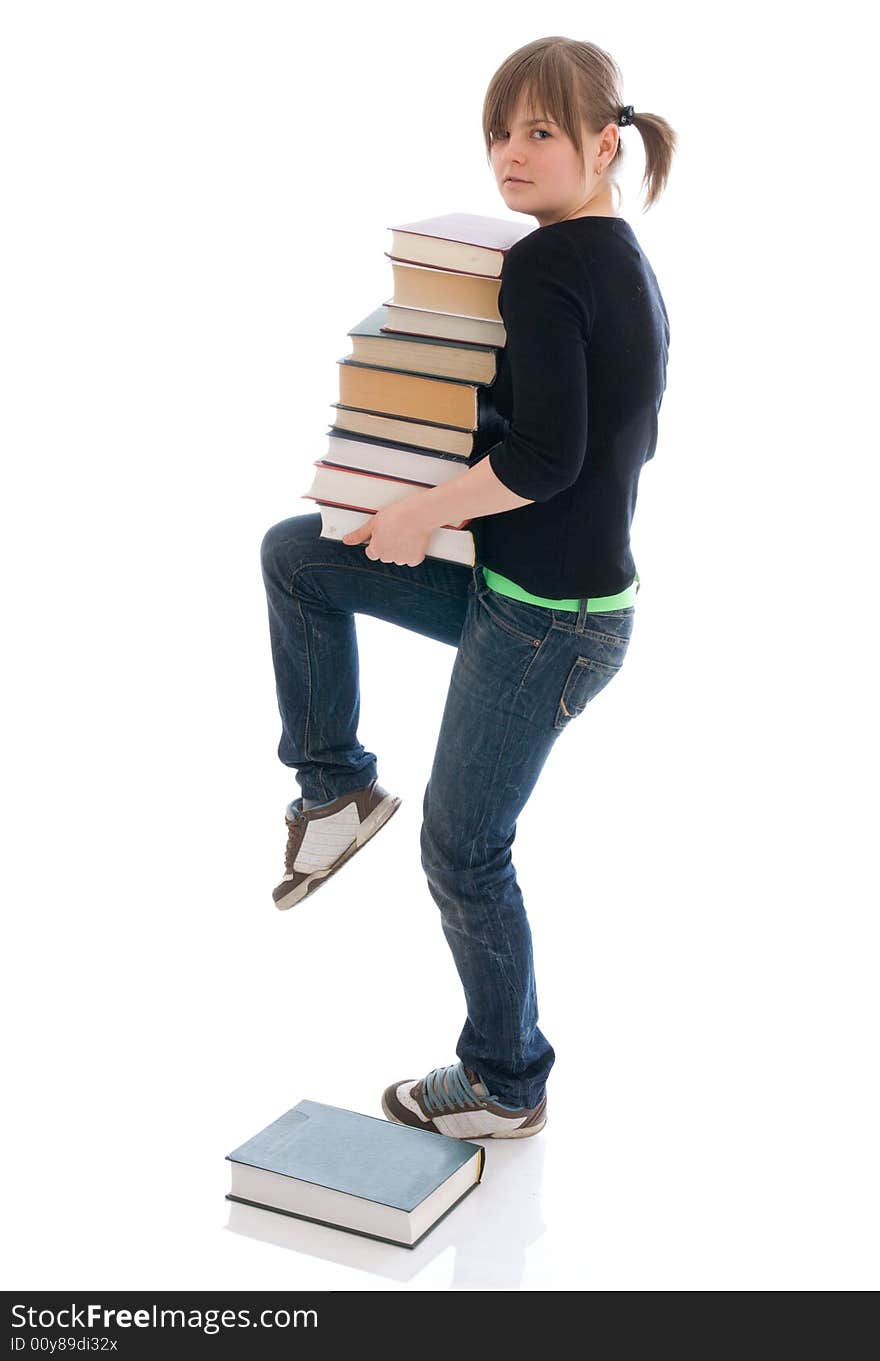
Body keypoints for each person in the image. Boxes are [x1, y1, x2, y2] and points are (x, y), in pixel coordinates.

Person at [259, 36, 676, 1140]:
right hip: (522, 592)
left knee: (461, 845)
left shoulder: (548, 266)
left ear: (602, 142)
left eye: (540, 131)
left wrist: (416, 512)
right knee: (298, 554)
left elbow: (548, 458)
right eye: (499, 131)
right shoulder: (612, 256)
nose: (510, 152)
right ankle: (335, 789)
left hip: (549, 624)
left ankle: (504, 1078)